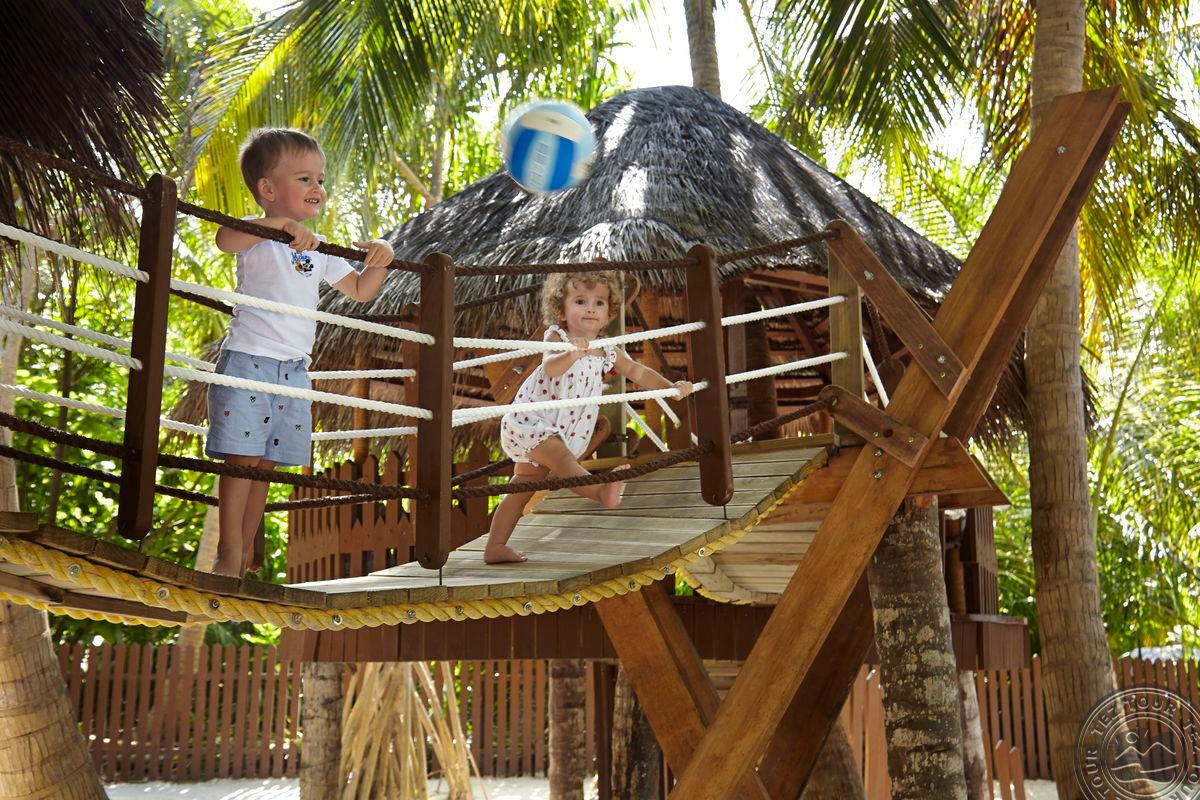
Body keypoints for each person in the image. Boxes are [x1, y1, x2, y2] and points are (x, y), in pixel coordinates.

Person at [207, 128, 394, 577]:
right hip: (250, 360)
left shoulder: (319, 248)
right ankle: (227, 551)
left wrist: (382, 257)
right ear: (268, 189)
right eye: (305, 178)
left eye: (320, 180)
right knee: (242, 461)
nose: (317, 188)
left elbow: (360, 290)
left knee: (265, 467)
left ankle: (244, 553)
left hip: (294, 372)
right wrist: (281, 227)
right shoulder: (256, 234)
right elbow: (224, 240)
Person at [484, 270, 693, 564]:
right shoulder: (558, 337)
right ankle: (600, 492)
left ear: (609, 314)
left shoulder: (607, 350)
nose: (591, 308)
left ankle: (495, 546)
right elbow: (551, 367)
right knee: (563, 462)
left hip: (561, 429)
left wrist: (669, 387)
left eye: (599, 303)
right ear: (561, 310)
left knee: (521, 488)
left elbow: (638, 371)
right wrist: (572, 353)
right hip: (535, 423)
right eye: (580, 301)